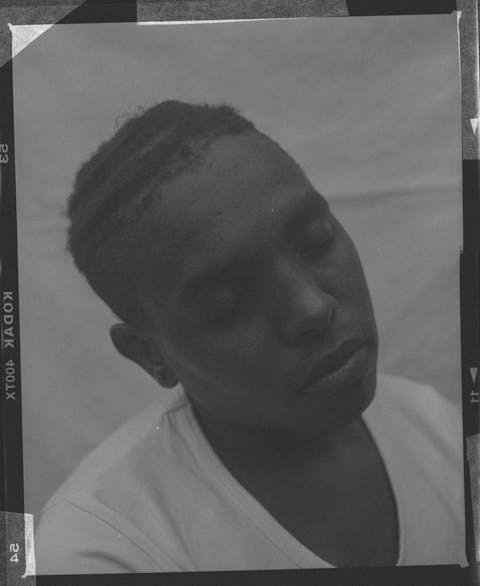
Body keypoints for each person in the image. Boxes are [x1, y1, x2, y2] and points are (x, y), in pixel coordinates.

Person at [35, 100, 466, 574]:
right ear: (151, 354)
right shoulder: (104, 552)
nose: (312, 308)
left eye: (316, 241)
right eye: (227, 303)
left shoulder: (437, 429)